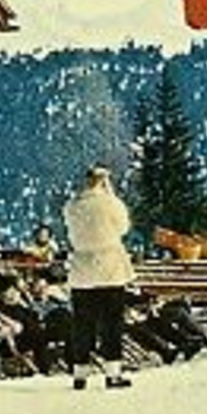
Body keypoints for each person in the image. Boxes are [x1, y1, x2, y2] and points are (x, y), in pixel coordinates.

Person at [62, 164, 136, 390]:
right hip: (109, 270)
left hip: (82, 271)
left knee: (82, 324)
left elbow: (70, 229)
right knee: (111, 323)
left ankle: (80, 373)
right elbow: (123, 227)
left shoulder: (72, 206)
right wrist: (110, 194)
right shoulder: (111, 204)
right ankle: (113, 373)